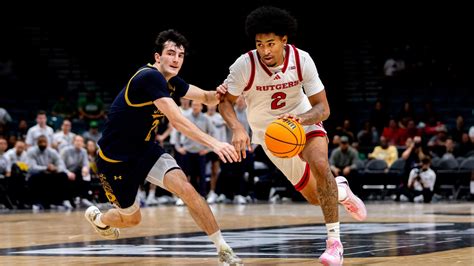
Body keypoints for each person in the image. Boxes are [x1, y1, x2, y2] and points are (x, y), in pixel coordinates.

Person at [218, 6, 366, 265]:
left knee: (321, 166)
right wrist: (238, 128)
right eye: (259, 44)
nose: (265, 50)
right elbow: (225, 102)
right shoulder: (244, 65)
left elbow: (323, 108)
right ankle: (341, 191)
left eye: (271, 43)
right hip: (270, 136)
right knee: (314, 197)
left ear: (284, 41)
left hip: (304, 124)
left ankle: (334, 244)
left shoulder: (302, 60)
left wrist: (302, 119)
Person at [83, 29, 242, 265]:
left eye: (180, 54)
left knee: (187, 190)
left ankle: (223, 249)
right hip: (115, 161)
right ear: (158, 57)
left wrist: (230, 90)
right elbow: (177, 121)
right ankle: (100, 219)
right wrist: (215, 143)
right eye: (170, 53)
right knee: (131, 220)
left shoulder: (173, 82)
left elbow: (209, 98)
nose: (176, 59)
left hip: (147, 151)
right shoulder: (149, 77)